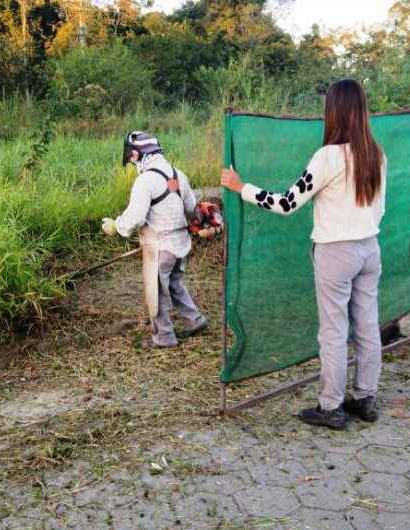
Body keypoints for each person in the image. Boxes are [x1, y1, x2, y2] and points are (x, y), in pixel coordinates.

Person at [221, 79, 386, 430]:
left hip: (335, 253)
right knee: (368, 326)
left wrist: (241, 187)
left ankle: (331, 408)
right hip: (370, 249)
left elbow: (286, 203)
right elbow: (381, 210)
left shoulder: (327, 158)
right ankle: (365, 398)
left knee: (333, 331)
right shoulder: (377, 154)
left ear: (335, 111)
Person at [102, 131, 218, 348]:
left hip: (159, 248)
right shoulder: (177, 175)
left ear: (136, 155)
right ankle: (195, 320)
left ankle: (164, 337)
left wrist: (116, 226)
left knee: (155, 292)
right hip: (181, 245)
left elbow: (135, 218)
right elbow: (193, 212)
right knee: (175, 284)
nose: (132, 163)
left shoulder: (145, 181)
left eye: (131, 158)